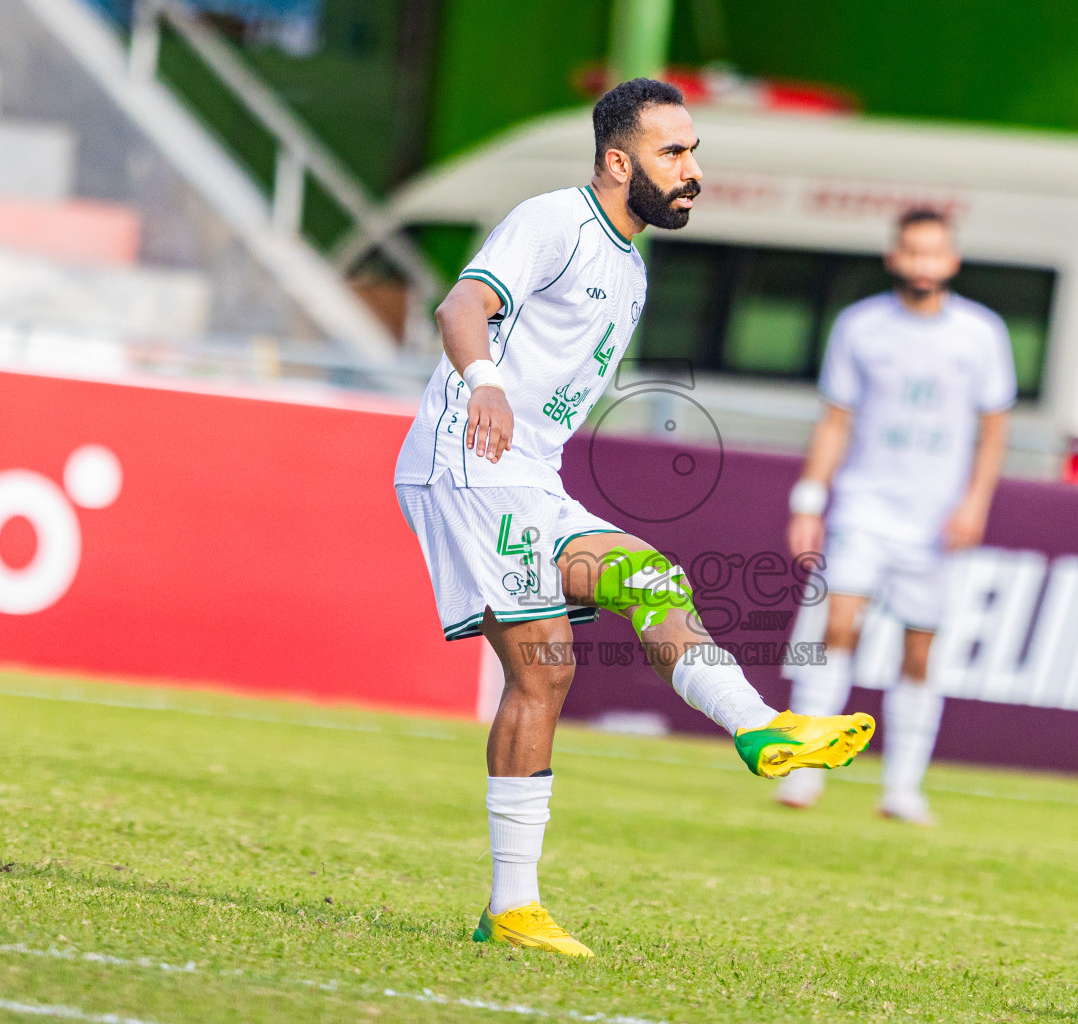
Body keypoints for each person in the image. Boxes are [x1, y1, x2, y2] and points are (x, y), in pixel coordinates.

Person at [392, 78, 876, 957]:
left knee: (629, 599)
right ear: (619, 163)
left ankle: (756, 727)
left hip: (529, 478)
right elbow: (461, 306)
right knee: (548, 666)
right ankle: (516, 905)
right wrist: (484, 384)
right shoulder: (553, 222)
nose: (692, 171)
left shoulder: (632, 267)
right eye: (673, 153)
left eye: (693, 152)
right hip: (467, 466)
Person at [779, 208, 1014, 826]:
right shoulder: (861, 327)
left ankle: (903, 787)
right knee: (838, 628)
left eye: (933, 253)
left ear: (952, 260)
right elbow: (836, 420)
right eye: (912, 251)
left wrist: (974, 504)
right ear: (894, 257)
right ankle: (806, 767)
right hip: (865, 504)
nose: (922, 264)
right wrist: (810, 499)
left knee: (918, 651)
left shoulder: (981, 333)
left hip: (935, 518)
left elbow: (994, 432)